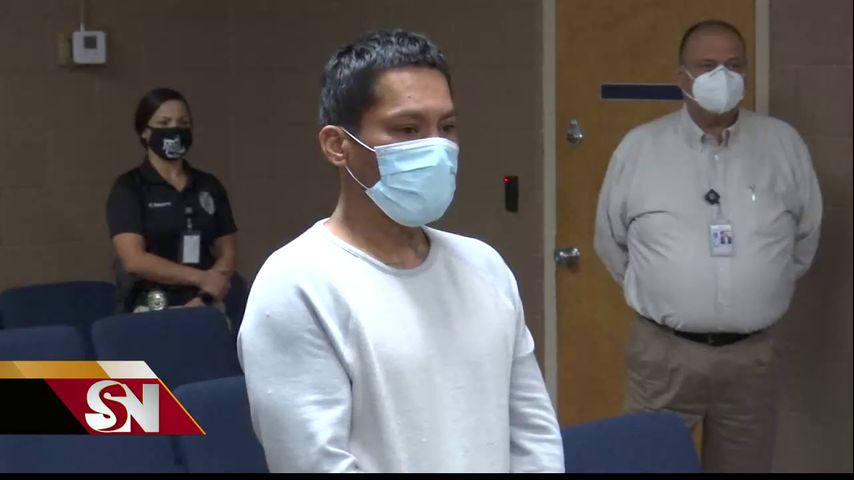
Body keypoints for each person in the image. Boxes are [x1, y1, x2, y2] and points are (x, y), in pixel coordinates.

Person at [237, 30, 564, 473]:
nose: (437, 147)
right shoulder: (297, 285)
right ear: (338, 145)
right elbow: (315, 463)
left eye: (447, 127)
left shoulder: (485, 266)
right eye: (408, 129)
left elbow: (534, 437)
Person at [594, 20, 822, 472]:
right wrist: (670, 291)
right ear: (682, 77)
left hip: (751, 359)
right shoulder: (639, 149)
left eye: (734, 65)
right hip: (664, 356)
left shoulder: (783, 145)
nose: (723, 76)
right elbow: (611, 243)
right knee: (649, 465)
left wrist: (756, 290)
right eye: (708, 65)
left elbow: (804, 239)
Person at [106, 87, 238, 315]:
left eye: (183, 123)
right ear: (145, 132)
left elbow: (228, 252)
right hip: (151, 308)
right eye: (164, 123)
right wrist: (200, 278)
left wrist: (205, 296)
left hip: (205, 306)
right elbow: (134, 260)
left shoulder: (208, 185)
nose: (175, 130)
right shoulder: (129, 187)